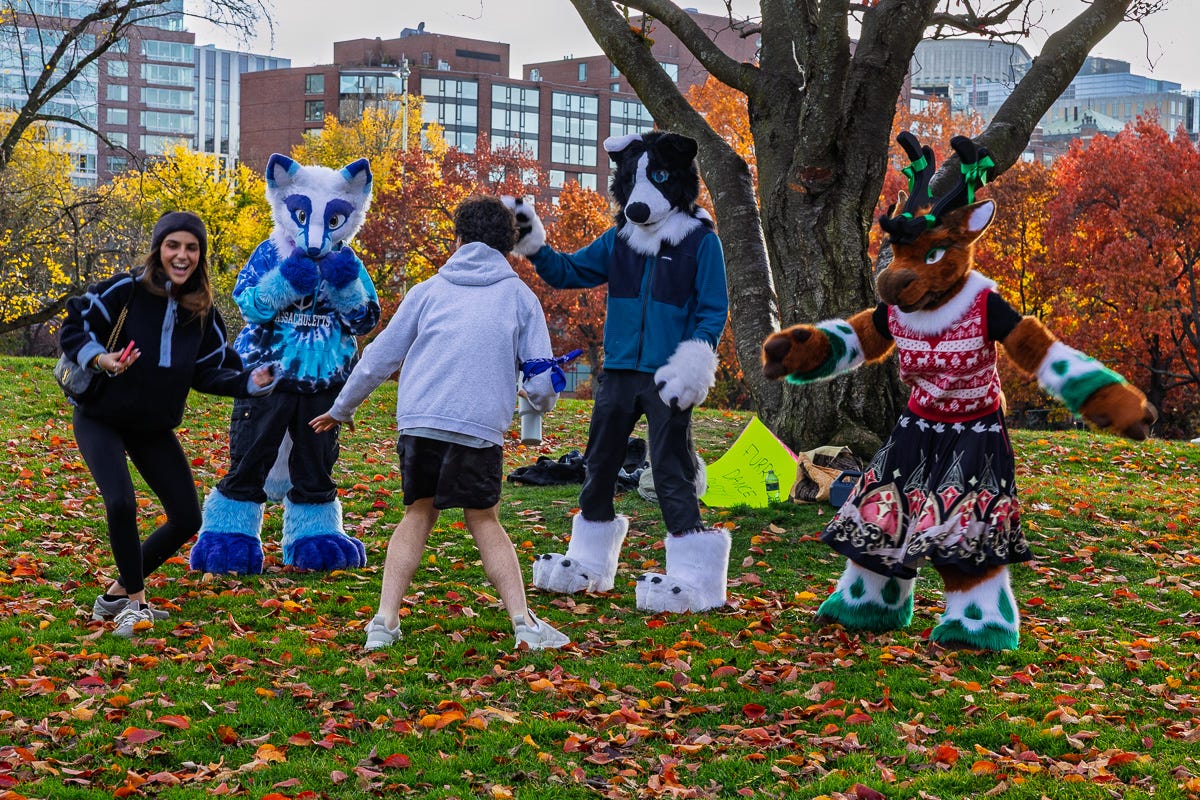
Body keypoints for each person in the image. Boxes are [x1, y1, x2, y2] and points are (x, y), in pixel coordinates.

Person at [310, 195, 569, 652]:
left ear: (459, 238)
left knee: (417, 513)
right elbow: (544, 377)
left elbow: (378, 357)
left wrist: (342, 408)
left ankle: (384, 622)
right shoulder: (520, 297)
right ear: (508, 246)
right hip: (478, 428)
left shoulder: (428, 290)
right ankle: (523, 625)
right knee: (484, 520)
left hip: (420, 420)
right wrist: (539, 400)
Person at [58, 211, 276, 637]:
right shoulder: (126, 290)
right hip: (100, 417)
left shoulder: (201, 310)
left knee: (187, 518)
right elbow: (75, 326)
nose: (182, 255)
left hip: (152, 426)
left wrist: (252, 382)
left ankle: (118, 593)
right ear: (159, 249)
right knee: (121, 502)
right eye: (173, 245)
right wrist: (103, 359)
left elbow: (210, 371)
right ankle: (135, 603)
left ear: (201, 255)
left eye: (191, 248)